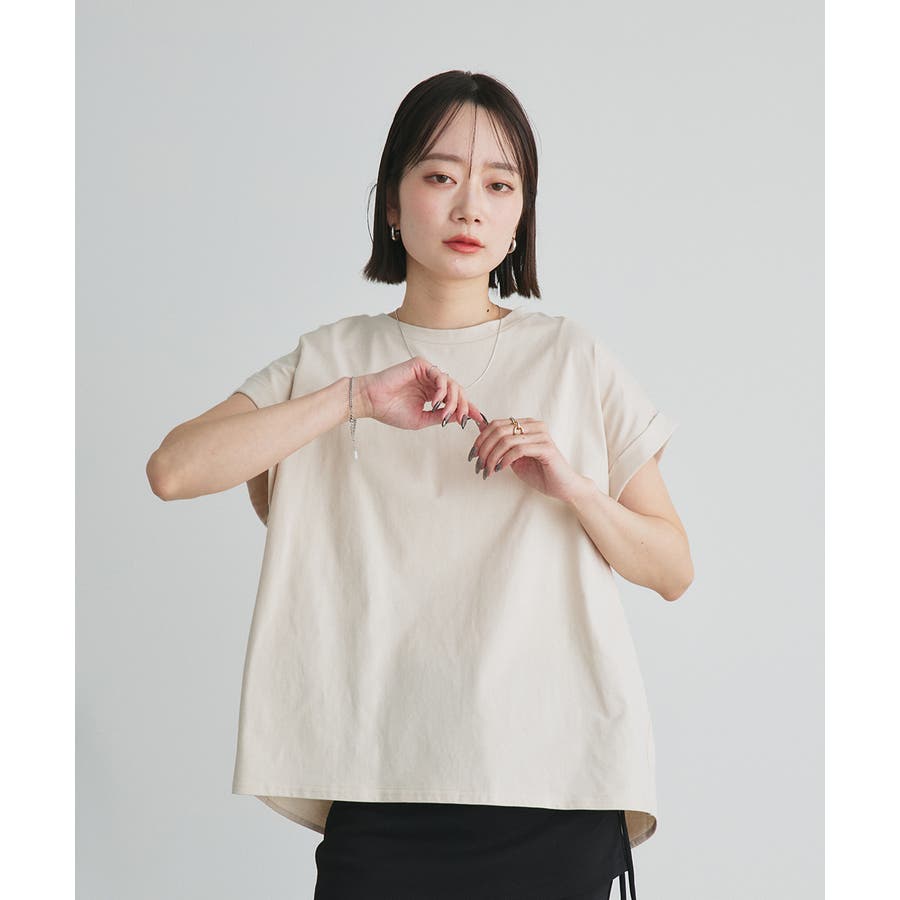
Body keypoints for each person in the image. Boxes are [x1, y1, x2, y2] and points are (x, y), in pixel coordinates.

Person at [146, 70, 693, 900]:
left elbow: (673, 569)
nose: (470, 207)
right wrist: (355, 399)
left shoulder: (574, 359)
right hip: (379, 781)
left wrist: (576, 488)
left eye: (499, 185)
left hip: (556, 784)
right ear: (393, 205)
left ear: (521, 215)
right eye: (441, 176)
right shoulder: (330, 358)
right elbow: (174, 469)